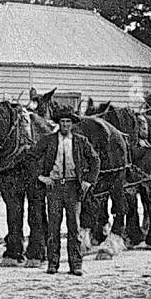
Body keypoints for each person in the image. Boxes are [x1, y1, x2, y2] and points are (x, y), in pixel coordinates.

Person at [37, 108, 100, 275]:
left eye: (68, 122)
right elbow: (31, 158)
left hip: (73, 187)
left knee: (74, 227)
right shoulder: (48, 140)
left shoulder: (80, 141)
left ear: (72, 124)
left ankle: (76, 264)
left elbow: (95, 160)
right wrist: (41, 177)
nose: (65, 125)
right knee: (53, 227)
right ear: (59, 124)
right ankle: (53, 263)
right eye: (62, 122)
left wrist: (88, 181)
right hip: (54, 188)